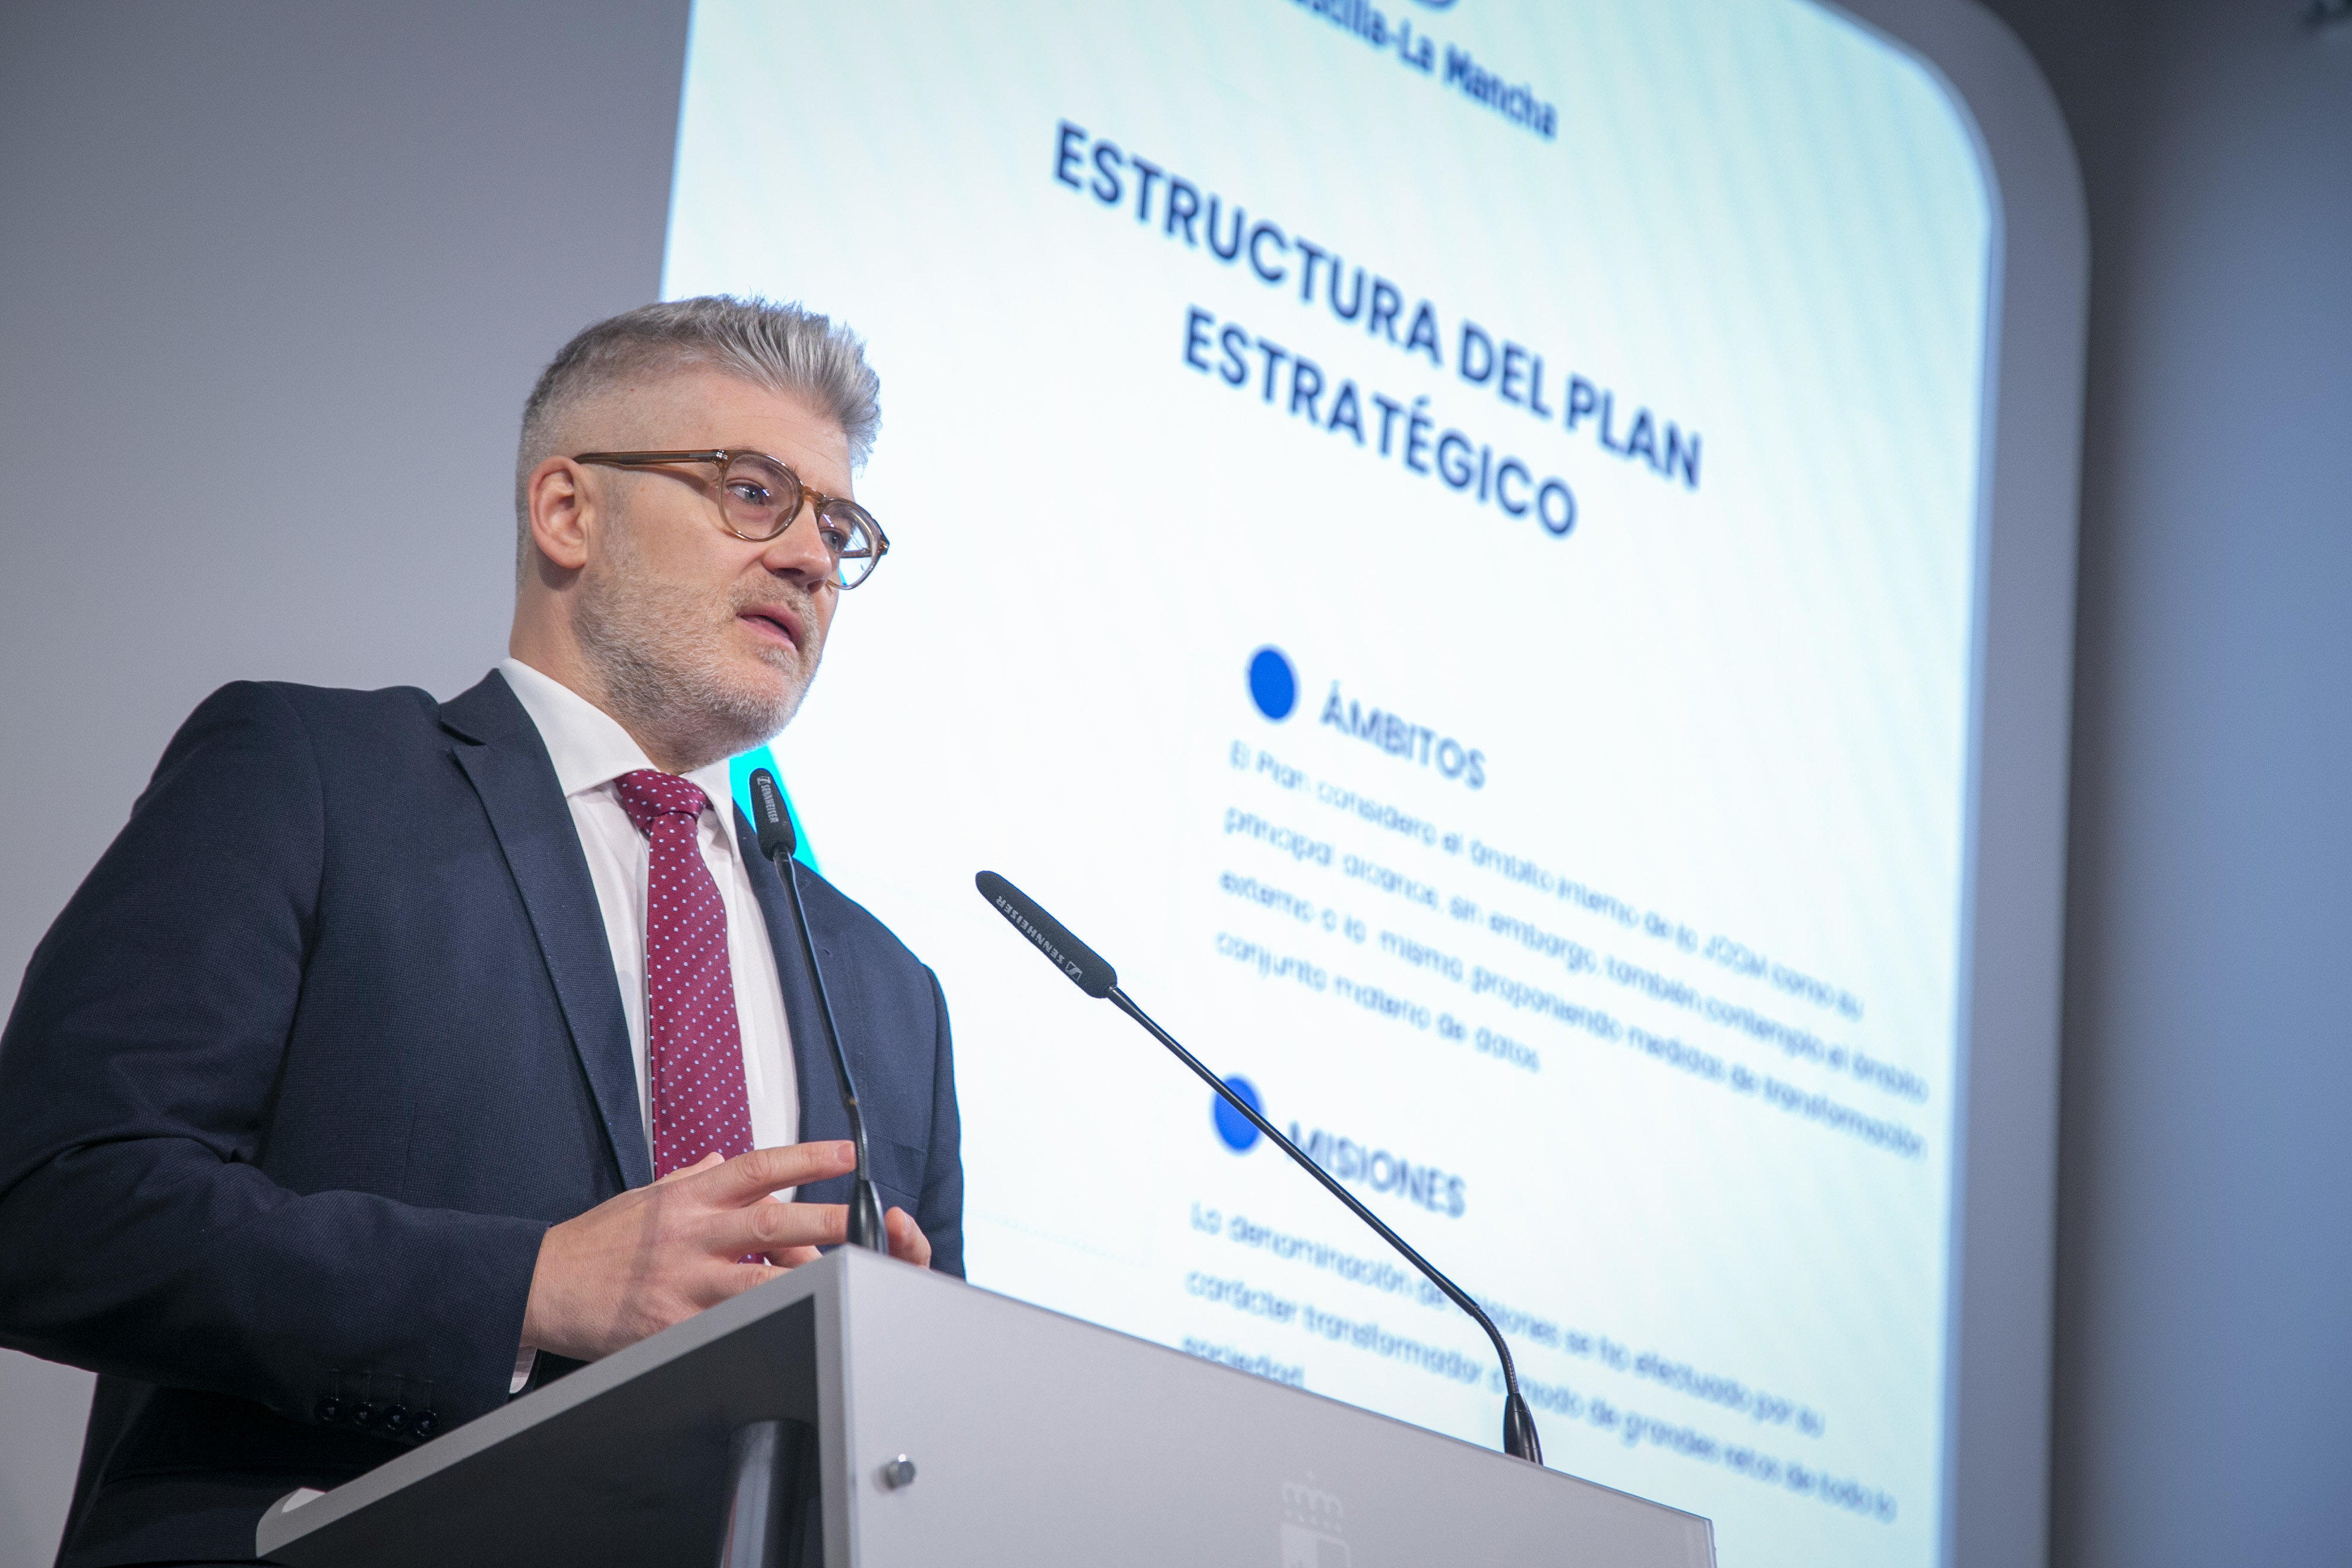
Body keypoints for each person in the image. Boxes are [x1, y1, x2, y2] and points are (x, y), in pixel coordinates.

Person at [0, 297, 962, 1567]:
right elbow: (54, 1200)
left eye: (837, 529)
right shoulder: (314, 778)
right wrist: (529, 1288)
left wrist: (903, 1371)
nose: (810, 562)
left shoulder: (890, 996)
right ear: (568, 511)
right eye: (751, 493)